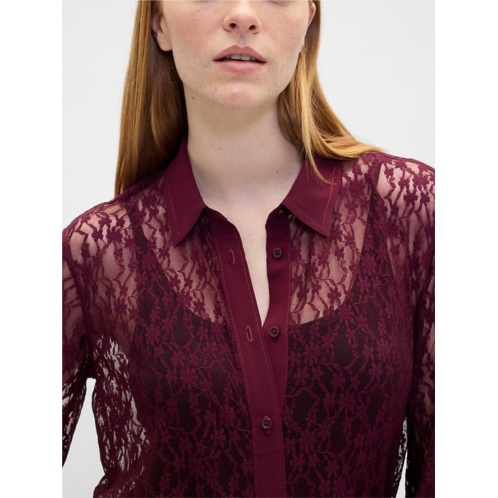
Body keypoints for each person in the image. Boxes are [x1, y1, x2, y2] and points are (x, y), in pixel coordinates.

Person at [62, 1, 435, 497]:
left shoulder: (409, 213)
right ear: (159, 23)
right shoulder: (96, 254)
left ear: (308, 20)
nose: (242, 15)